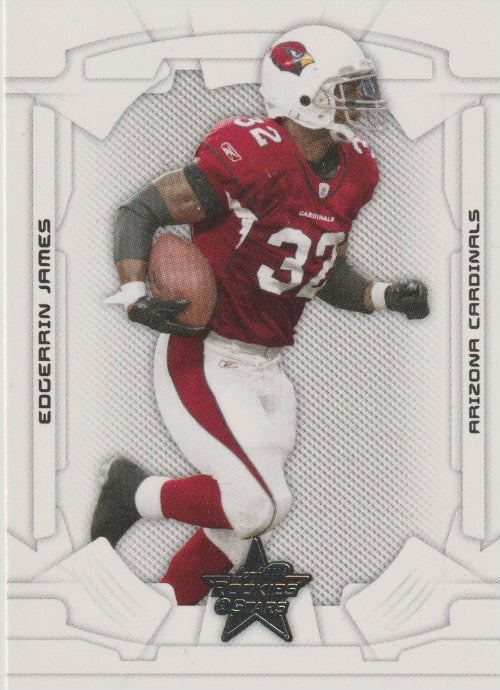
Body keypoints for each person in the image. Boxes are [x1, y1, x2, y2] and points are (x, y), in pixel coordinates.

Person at [91, 25, 429, 605]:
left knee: (246, 519)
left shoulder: (355, 169)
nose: (358, 102)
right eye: (343, 89)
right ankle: (134, 492)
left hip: (268, 366)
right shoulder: (253, 156)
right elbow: (139, 210)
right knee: (253, 503)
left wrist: (382, 296)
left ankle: (166, 613)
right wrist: (133, 291)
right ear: (301, 94)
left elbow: (319, 271)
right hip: (206, 353)